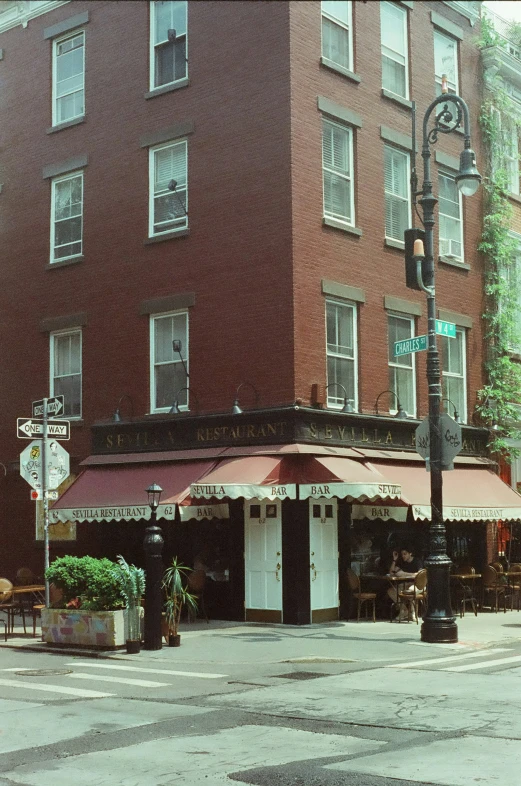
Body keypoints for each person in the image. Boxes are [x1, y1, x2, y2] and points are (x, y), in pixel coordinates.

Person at [387, 546, 423, 621]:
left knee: (410, 591)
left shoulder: (417, 561)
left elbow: (420, 574)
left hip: (417, 585)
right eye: (402, 554)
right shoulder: (402, 562)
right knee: (391, 591)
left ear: (410, 553)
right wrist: (394, 560)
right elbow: (391, 573)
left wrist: (404, 574)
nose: (403, 556)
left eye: (405, 554)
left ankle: (413, 612)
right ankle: (404, 610)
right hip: (405, 584)